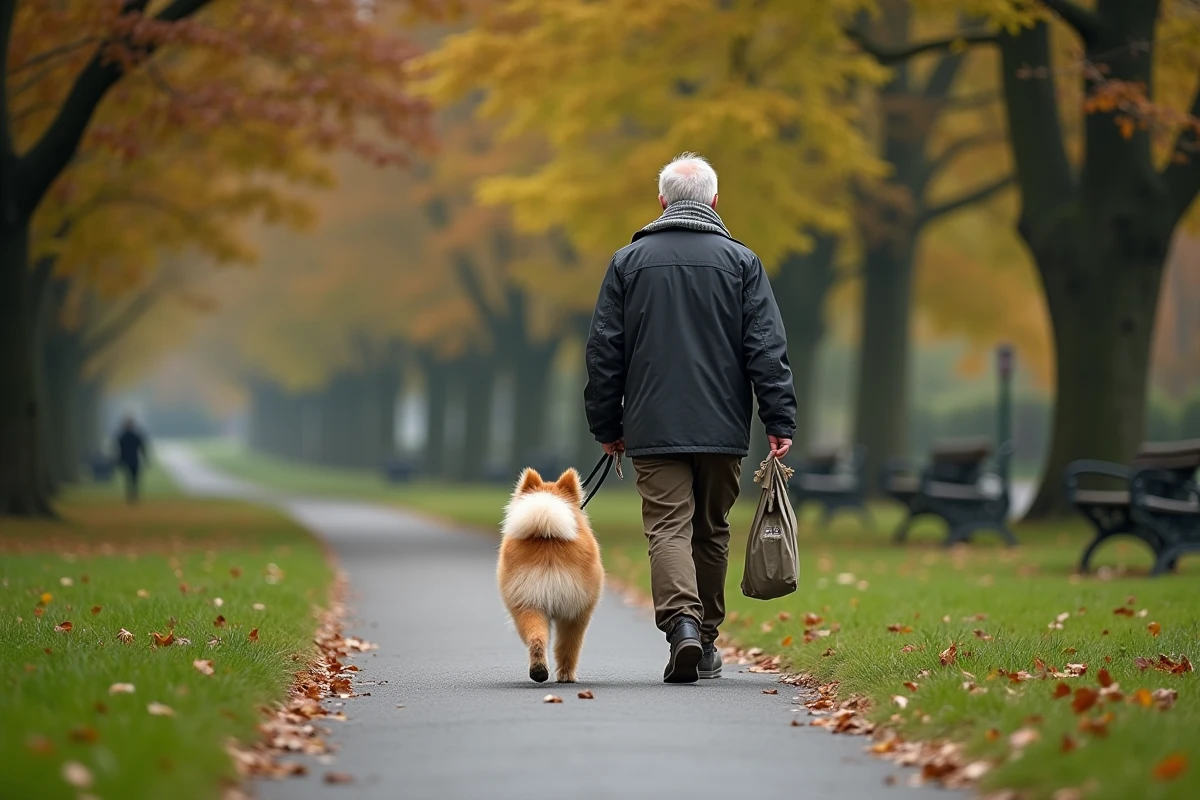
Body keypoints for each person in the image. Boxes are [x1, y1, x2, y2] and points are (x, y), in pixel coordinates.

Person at [584, 153, 796, 684]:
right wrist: (779, 417)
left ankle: (682, 623)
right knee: (711, 529)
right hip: (723, 427)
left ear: (662, 202)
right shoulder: (742, 263)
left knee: (667, 527)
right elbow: (766, 347)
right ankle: (705, 641)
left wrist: (606, 424)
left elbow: (605, 350)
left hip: (652, 426)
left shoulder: (627, 263)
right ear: (715, 201)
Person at [114, 416, 149, 504]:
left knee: (133, 479)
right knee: (130, 478)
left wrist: (145, 458)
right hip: (129, 460)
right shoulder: (127, 436)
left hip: (132, 460)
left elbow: (142, 447)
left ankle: (133, 495)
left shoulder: (125, 436)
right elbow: (119, 449)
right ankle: (132, 495)